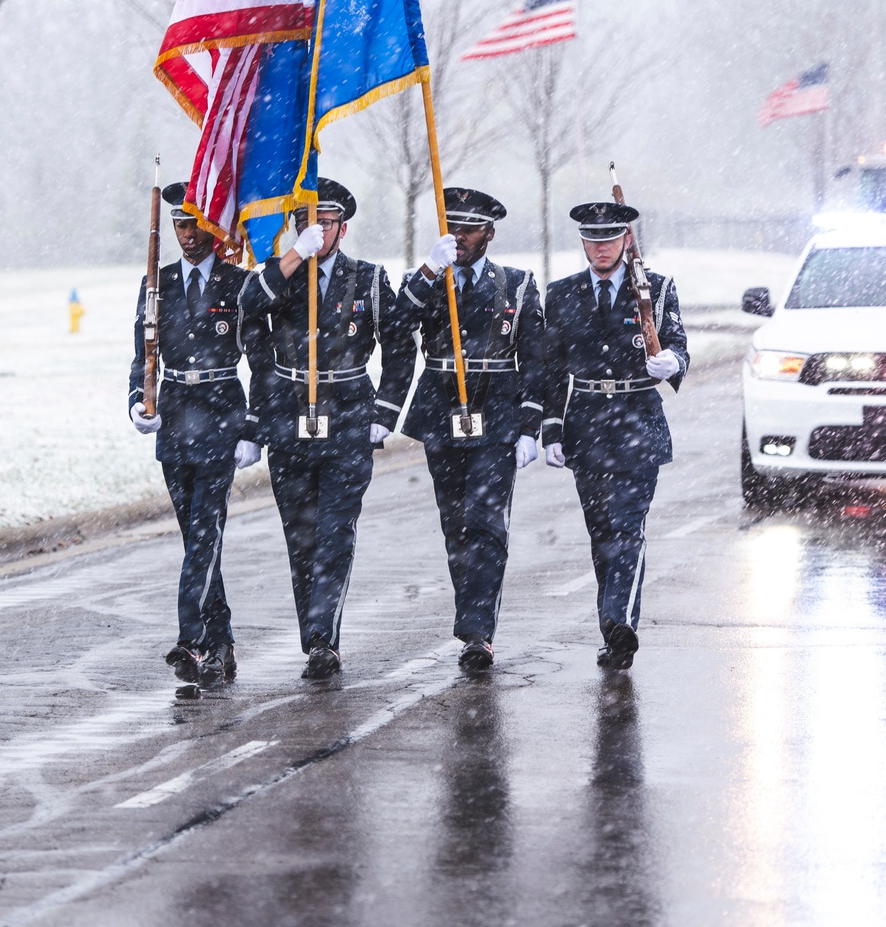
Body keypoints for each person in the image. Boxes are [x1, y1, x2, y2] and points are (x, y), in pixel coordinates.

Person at [240, 179, 416, 681]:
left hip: (348, 416)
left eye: (326, 222)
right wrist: (295, 255)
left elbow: (401, 347)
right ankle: (315, 635)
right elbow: (250, 306)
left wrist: (385, 412)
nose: (316, 229)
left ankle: (323, 639)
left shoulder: (368, 278)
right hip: (289, 416)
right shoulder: (282, 274)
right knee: (301, 537)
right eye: (305, 222)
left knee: (335, 531)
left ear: (343, 227)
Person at [398, 187, 544, 672]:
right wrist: (427, 271)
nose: (459, 237)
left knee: (486, 522)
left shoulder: (518, 285)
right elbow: (398, 324)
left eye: (470, 229)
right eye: (452, 228)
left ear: (490, 233)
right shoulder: (428, 280)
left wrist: (531, 425)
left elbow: (536, 360)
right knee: (456, 526)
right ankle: (473, 615)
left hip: (497, 416)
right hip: (442, 413)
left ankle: (478, 631)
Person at [542, 199, 689, 670]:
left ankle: (619, 620)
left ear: (627, 241)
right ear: (583, 242)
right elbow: (548, 370)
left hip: (637, 419)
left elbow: (680, 345)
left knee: (628, 527)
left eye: (610, 238)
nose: (600, 247)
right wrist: (549, 428)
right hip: (585, 422)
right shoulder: (561, 294)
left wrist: (673, 363)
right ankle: (614, 630)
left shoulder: (657, 289)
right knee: (601, 531)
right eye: (592, 239)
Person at [129, 184, 262, 692]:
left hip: (221, 415)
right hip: (175, 417)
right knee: (197, 541)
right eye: (180, 225)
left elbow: (261, 359)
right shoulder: (156, 284)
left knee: (205, 533)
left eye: (195, 224)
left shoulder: (237, 283)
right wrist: (137, 402)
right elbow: (143, 354)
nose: (186, 234)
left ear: (213, 225)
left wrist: (252, 427)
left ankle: (193, 639)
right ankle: (221, 642)